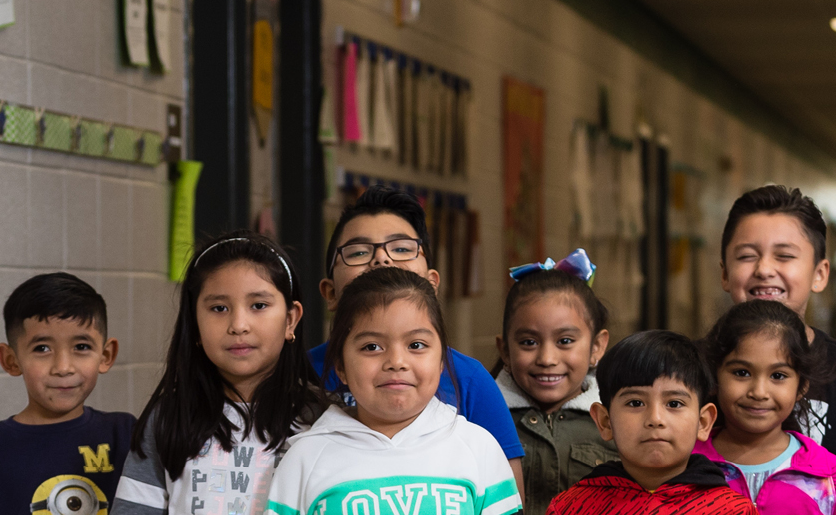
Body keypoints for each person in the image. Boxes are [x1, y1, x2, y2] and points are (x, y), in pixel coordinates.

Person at [305, 186, 525, 481]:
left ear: (432, 285)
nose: (382, 259)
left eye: (402, 248)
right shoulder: (300, 373)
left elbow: (506, 493)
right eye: (358, 251)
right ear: (330, 292)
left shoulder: (469, 380)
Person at [265, 267, 523, 515]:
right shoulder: (305, 457)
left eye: (416, 344)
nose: (396, 361)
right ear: (340, 366)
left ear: (442, 360)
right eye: (372, 347)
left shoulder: (478, 447)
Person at [113, 233, 332, 514]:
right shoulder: (170, 415)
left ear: (290, 320)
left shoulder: (322, 420)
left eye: (258, 306)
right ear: (194, 324)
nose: (238, 325)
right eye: (219, 308)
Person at [720, 184, 836, 514]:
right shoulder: (695, 364)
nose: (763, 269)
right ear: (724, 272)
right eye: (747, 256)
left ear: (819, 274)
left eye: (785, 256)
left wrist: (788, 501)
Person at [0, 273, 131, 515]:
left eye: (81, 347)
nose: (63, 367)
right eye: (42, 348)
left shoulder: (126, 434)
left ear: (106, 355)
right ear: (11, 360)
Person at [546, 331, 758, 515]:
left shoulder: (732, 510)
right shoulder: (571, 507)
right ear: (605, 421)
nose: (655, 419)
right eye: (635, 402)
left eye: (674, 403)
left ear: (703, 422)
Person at [694, 301, 836, 515]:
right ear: (714, 377)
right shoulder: (685, 463)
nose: (759, 392)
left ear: (801, 386)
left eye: (778, 376)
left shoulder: (827, 474)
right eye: (742, 372)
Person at [493, 249, 619, 513]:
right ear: (504, 350)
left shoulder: (615, 422)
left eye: (565, 341)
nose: (547, 358)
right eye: (529, 342)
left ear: (597, 346)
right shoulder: (484, 420)